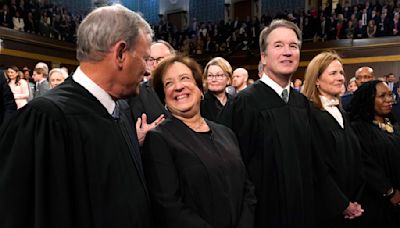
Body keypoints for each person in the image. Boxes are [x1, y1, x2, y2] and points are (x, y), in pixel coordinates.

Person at [0, 4, 153, 227]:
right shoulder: (45, 119)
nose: (148, 70)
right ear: (120, 54)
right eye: (144, 58)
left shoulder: (120, 110)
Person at [226, 19, 359, 228]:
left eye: (293, 46)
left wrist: (340, 202)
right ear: (264, 56)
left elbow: (316, 163)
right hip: (263, 214)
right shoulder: (245, 102)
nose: (287, 52)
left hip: (305, 211)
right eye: (278, 45)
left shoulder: (302, 104)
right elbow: (234, 169)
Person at [143, 55, 256, 228]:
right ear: (164, 99)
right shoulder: (159, 139)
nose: (178, 87)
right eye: (169, 84)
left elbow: (247, 190)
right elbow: (169, 207)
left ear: (200, 89)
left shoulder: (226, 133)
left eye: (184, 78)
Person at [302, 51, 365, 227]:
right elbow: (317, 168)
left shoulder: (342, 114)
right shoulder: (310, 116)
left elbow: (354, 159)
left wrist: (355, 201)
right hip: (327, 210)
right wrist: (342, 204)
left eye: (341, 73)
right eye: (333, 73)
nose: (340, 78)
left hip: (352, 204)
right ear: (316, 79)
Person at [349, 80, 400, 228]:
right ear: (368, 99)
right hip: (379, 202)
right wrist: (389, 191)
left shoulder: (393, 124)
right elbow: (365, 164)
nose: (389, 100)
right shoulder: (358, 128)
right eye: (382, 96)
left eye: (390, 95)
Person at [128, 40, 174, 145]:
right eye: (150, 60)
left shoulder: (186, 89)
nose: (155, 64)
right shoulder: (137, 93)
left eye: (160, 59)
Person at [201, 57, 234, 123]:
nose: (214, 79)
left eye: (219, 75)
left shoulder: (236, 102)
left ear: (228, 79)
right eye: (210, 75)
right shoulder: (200, 103)